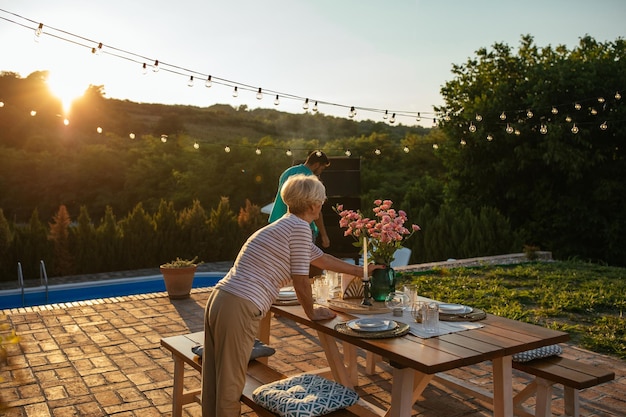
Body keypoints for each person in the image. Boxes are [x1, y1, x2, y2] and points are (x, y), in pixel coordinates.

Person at [201, 174, 383, 417]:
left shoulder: (286, 226)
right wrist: (312, 311)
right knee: (230, 386)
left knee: (215, 380)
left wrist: (361, 271)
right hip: (240, 305)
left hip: (223, 298)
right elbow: (301, 278)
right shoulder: (299, 228)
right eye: (321, 200)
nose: (322, 205)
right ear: (312, 205)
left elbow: (321, 258)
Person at [269, 151, 331, 248]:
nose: (321, 172)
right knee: (304, 260)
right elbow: (315, 209)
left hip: (277, 222)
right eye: (321, 169)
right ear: (316, 165)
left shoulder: (288, 172)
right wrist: (324, 235)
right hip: (301, 227)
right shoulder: (311, 179)